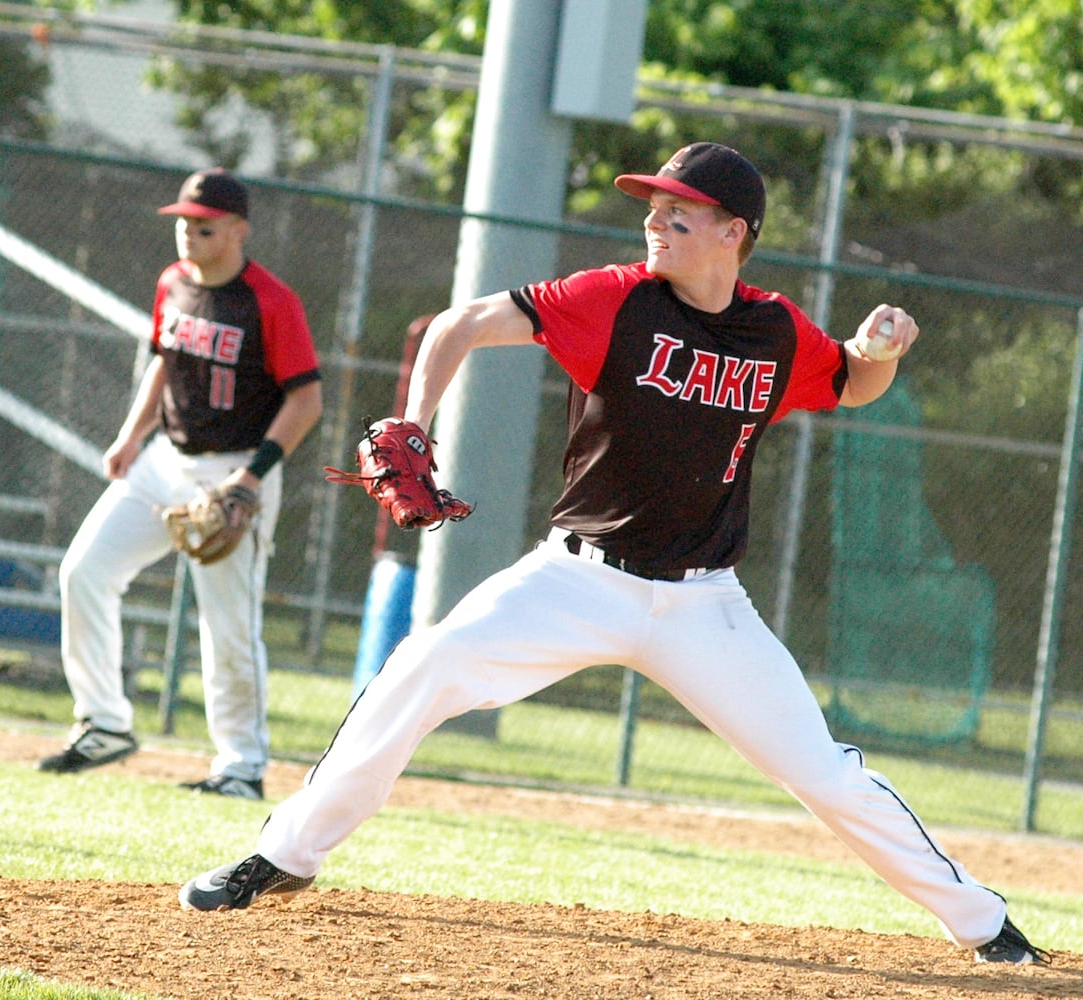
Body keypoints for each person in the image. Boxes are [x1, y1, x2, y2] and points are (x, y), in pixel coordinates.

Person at [177, 143, 1050, 965]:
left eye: (681, 210)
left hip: (706, 604)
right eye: (653, 206)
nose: (656, 220)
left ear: (734, 233)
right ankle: (284, 854)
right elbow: (460, 324)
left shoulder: (773, 331)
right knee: (426, 663)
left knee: (824, 772)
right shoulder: (615, 299)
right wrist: (415, 420)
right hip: (577, 578)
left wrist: (879, 350)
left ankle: (984, 924)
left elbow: (851, 381)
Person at [38, 168, 323, 800]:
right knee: (84, 571)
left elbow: (307, 400)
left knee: (228, 623)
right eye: (183, 224)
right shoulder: (172, 283)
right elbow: (165, 363)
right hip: (165, 459)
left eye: (204, 226)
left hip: (235, 470)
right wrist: (131, 435)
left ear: (238, 231)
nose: (188, 235)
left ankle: (242, 766)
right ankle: (105, 723)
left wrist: (250, 480)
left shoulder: (272, 301)